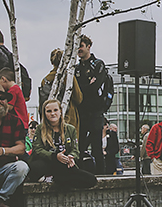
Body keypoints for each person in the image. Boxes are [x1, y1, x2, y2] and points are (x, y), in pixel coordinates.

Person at [27, 97, 96, 192]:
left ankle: (59, 179)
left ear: (60, 111)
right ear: (44, 113)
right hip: (47, 162)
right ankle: (58, 178)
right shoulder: (40, 129)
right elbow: (38, 149)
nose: (52, 113)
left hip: (64, 163)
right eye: (49, 111)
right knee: (34, 168)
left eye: (55, 110)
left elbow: (75, 150)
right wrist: (55, 156)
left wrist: (71, 157)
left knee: (91, 180)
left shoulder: (70, 129)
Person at [74, 35, 113, 173]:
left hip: (96, 111)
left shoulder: (98, 64)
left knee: (97, 146)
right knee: (80, 146)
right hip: (82, 111)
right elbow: (76, 89)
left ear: (88, 46)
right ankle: (80, 174)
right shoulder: (77, 68)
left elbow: (95, 86)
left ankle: (101, 176)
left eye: (81, 46)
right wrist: (86, 86)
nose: (78, 49)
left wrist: (84, 87)